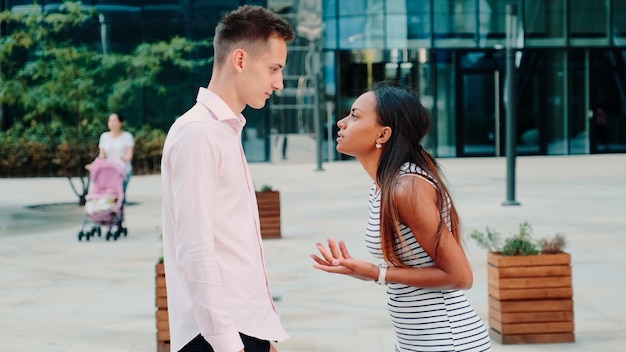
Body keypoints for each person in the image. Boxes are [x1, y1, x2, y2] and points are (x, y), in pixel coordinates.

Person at [311, 83, 492, 352]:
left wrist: (378, 273)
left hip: (447, 341)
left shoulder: (406, 187)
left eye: (355, 116)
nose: (341, 122)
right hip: (417, 341)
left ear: (383, 134)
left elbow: (460, 276)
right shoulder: (385, 184)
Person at [161, 5, 294, 352]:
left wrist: (263, 334)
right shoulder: (198, 133)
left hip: (241, 330)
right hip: (217, 337)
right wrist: (229, 344)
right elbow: (195, 249)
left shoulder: (223, 130)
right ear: (239, 60)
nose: (278, 83)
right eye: (274, 69)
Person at [97, 112, 134, 192]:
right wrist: (98, 162)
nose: (112, 123)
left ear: (121, 123)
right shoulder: (104, 137)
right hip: (109, 172)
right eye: (110, 121)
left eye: (114, 121)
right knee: (110, 196)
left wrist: (123, 160)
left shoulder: (127, 136)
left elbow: (129, 154)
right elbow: (102, 154)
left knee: (120, 195)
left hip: (124, 171)